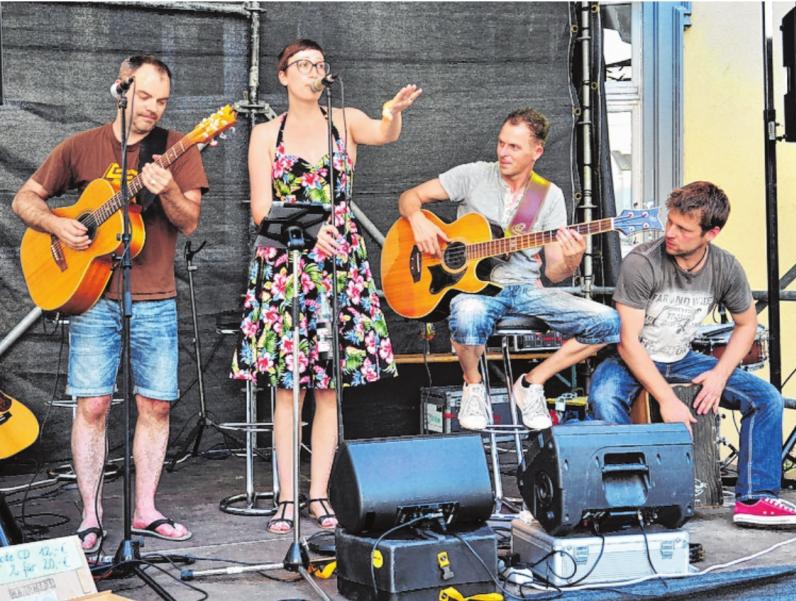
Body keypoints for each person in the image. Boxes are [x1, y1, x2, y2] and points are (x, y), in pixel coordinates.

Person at [12, 55, 209, 552]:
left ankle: (144, 511)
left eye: (162, 101)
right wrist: (58, 225)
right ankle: (91, 515)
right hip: (94, 297)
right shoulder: (82, 146)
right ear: (121, 89)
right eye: (144, 97)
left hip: (156, 297)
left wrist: (165, 193)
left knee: (156, 405)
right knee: (93, 403)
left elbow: (189, 222)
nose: (153, 110)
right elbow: (25, 199)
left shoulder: (176, 148)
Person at [230, 39, 421, 534]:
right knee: (288, 388)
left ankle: (319, 496)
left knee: (329, 390)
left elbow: (384, 133)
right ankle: (287, 499)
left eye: (319, 64)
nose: (314, 72)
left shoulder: (345, 119)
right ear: (283, 76)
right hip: (288, 267)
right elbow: (259, 211)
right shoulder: (265, 135)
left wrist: (392, 113)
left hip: (338, 268)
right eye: (303, 65)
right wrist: (313, 233)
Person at [588, 181, 796, 528]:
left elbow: (746, 324)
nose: (670, 233)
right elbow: (627, 343)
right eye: (670, 222)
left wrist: (719, 374)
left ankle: (754, 499)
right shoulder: (642, 262)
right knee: (604, 396)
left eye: (683, 228)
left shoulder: (725, 267)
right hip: (631, 359)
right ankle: (627, 500)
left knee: (767, 398)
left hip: (681, 357)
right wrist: (667, 399)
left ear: (711, 233)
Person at [397, 107, 619, 432]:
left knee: (608, 321)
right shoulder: (473, 175)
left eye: (514, 147)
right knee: (466, 311)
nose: (503, 152)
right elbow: (409, 197)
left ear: (537, 151)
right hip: (477, 291)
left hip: (527, 290)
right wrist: (417, 219)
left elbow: (555, 273)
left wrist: (572, 258)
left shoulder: (548, 196)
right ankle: (473, 385)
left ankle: (531, 384)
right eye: (502, 143)